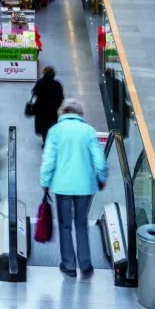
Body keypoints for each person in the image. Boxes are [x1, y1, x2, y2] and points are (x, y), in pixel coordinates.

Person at [40, 98, 108, 278]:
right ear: (79, 113)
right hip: (84, 187)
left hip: (62, 187)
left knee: (65, 226)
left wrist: (45, 182)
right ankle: (85, 264)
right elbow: (100, 161)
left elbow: (48, 161)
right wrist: (101, 178)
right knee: (81, 224)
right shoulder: (88, 131)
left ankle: (69, 265)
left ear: (62, 112)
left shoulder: (55, 131)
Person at [29, 67, 65, 146]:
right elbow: (61, 97)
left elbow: (34, 93)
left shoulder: (40, 82)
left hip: (41, 109)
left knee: (43, 126)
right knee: (51, 125)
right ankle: (50, 140)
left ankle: (45, 140)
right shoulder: (56, 84)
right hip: (52, 110)